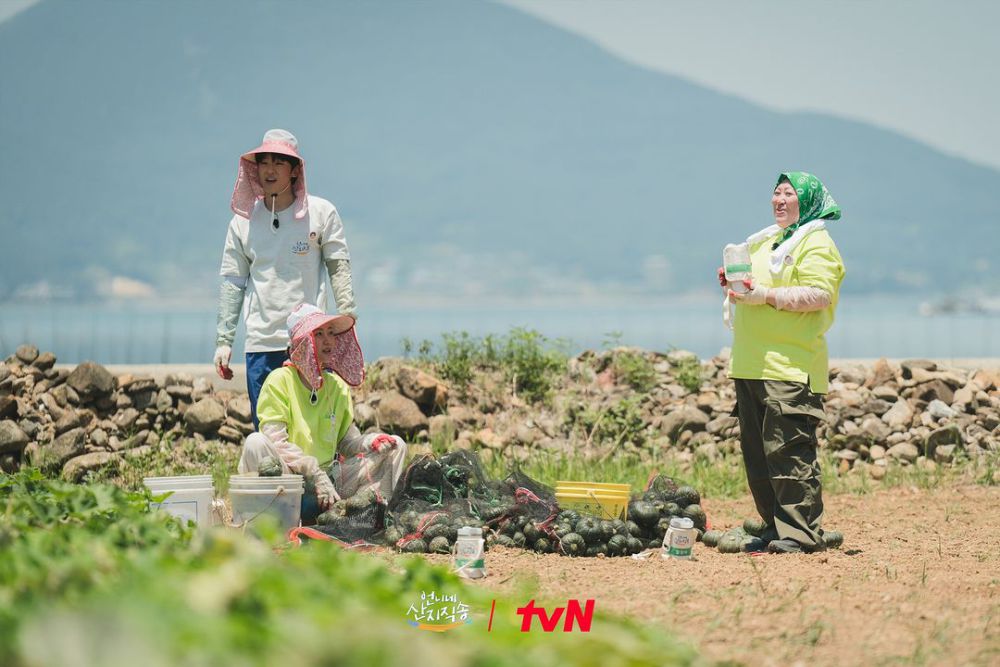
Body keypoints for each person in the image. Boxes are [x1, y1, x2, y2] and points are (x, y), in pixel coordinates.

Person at [721, 171, 845, 554]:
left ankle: (800, 534)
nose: (779, 200)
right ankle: (776, 526)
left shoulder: (817, 244)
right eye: (776, 193)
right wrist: (734, 282)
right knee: (758, 457)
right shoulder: (767, 242)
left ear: (806, 202)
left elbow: (819, 294)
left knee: (789, 452)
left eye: (789, 194)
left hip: (789, 366)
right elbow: (752, 287)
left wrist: (763, 296)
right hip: (750, 363)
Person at [214, 129, 357, 428]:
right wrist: (224, 341)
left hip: (310, 341)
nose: (269, 169)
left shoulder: (321, 213)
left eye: (279, 162)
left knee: (314, 427)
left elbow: (338, 267)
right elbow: (233, 282)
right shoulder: (242, 221)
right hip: (261, 342)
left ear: (294, 170)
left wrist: (346, 323)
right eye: (263, 161)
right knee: (268, 430)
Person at [238, 304, 407, 523]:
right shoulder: (279, 380)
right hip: (290, 484)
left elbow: (347, 441)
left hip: (331, 487)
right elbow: (276, 442)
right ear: (302, 343)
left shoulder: (336, 386)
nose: (328, 340)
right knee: (255, 443)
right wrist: (314, 473)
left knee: (396, 445)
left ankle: (373, 517)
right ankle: (278, 522)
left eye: (331, 333)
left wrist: (372, 441)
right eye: (318, 334)